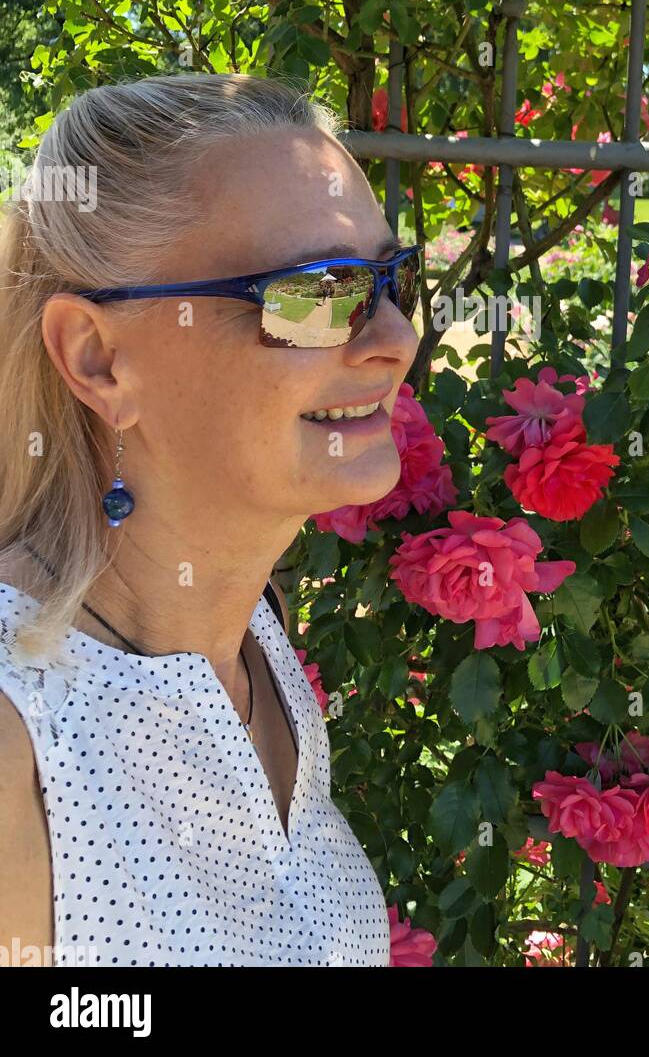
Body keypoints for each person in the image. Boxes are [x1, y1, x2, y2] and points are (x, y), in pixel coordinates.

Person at [0, 74, 420, 966]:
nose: (395, 338)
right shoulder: (18, 745)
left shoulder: (255, 643)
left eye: (393, 281)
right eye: (316, 291)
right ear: (98, 358)